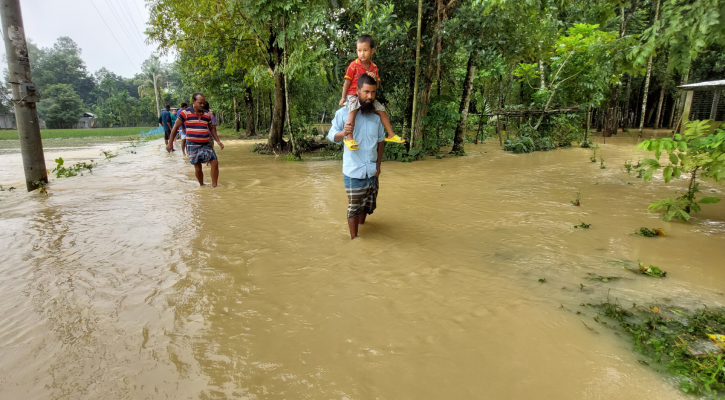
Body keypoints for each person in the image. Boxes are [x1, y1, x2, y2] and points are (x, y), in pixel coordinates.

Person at [328, 74, 385, 240]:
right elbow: (332, 135)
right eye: (366, 92)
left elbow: (381, 141)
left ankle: (362, 228)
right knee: (354, 206)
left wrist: (378, 166)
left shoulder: (377, 116)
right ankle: (355, 239)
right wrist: (342, 133)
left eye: (373, 92)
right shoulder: (343, 113)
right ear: (358, 91)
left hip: (372, 170)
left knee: (367, 205)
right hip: (353, 171)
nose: (369, 96)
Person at [339, 35, 404, 151]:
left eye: (365, 50)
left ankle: (390, 134)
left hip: (367, 96)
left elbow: (376, 86)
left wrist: (375, 79)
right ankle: (349, 137)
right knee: (353, 109)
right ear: (356, 51)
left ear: (372, 51)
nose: (362, 53)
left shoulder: (374, 68)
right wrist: (343, 98)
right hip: (353, 94)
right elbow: (347, 82)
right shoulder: (353, 65)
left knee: (381, 109)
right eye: (359, 51)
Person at [167, 93, 225, 187]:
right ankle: (202, 185)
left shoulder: (207, 114)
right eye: (200, 103)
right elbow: (175, 128)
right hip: (192, 144)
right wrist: (170, 143)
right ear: (193, 101)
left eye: (203, 103)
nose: (202, 105)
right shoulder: (185, 113)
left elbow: (212, 129)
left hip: (206, 143)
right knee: (198, 167)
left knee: (214, 162)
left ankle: (215, 186)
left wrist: (218, 141)